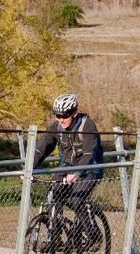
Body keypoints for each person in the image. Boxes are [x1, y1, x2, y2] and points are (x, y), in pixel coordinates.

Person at [35, 93, 105, 223]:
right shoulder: (56, 127)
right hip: (67, 168)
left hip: (90, 169)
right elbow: (42, 148)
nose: (61, 119)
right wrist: (28, 167)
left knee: (76, 199)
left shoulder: (88, 125)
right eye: (58, 115)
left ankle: (92, 235)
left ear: (74, 113)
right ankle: (54, 239)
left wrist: (77, 173)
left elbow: (89, 154)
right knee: (53, 197)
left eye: (65, 115)